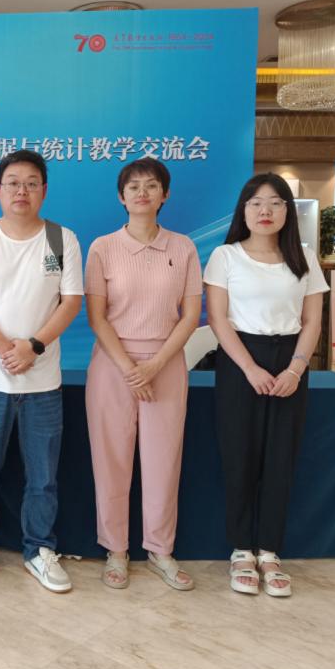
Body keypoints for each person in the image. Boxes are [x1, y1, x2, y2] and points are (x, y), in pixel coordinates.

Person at [0, 149, 83, 593]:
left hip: (44, 383)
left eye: (30, 183)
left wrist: (34, 346)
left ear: (43, 190)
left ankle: (40, 550)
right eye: (13, 183)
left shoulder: (63, 239)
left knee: (42, 477)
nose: (21, 191)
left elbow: (71, 302)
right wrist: (8, 350)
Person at [204, 173, 328, 598]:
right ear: (243, 210)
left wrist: (295, 370)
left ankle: (270, 552)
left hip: (291, 360)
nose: (265, 211)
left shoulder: (304, 257)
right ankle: (241, 550)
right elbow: (218, 319)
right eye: (256, 203)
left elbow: (312, 321)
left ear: (287, 211)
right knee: (239, 456)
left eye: (275, 203)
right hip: (241, 360)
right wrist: (250, 369)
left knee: (280, 458)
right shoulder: (225, 256)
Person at [85, 158, 202, 591]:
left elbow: (190, 316)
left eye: (151, 186)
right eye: (133, 187)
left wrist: (154, 364)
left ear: (164, 194)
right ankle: (116, 550)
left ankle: (159, 549)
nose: (142, 193)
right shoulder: (102, 247)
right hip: (112, 365)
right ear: (121, 196)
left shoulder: (183, 248)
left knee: (163, 461)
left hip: (166, 363)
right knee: (111, 460)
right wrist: (130, 367)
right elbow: (97, 318)